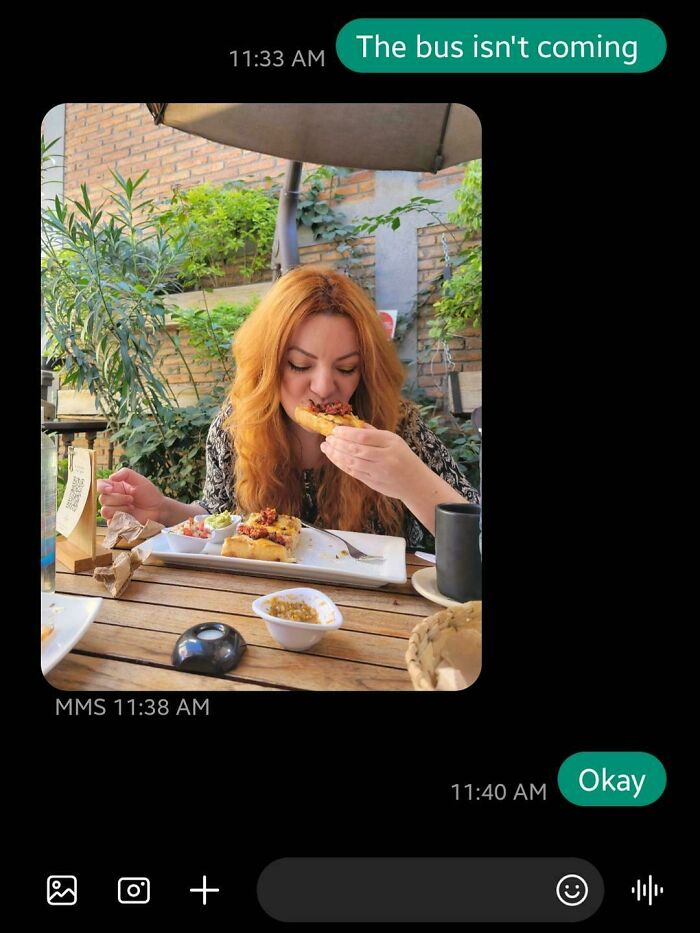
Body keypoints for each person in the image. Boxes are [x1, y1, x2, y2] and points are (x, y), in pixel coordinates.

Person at [98, 264, 479, 550]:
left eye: (347, 368)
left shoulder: (396, 426)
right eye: (299, 365)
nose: (324, 386)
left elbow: (474, 540)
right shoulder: (237, 427)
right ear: (267, 366)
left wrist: (412, 481)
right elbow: (220, 516)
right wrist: (165, 511)